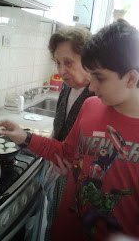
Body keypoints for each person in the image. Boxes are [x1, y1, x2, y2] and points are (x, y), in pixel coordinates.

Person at [0, 19, 139, 241]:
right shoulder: (90, 107)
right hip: (65, 232)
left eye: (99, 77)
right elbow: (65, 153)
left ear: (131, 78)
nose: (91, 87)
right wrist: (23, 136)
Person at [41, 26, 95, 241]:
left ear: (87, 59)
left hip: (76, 178)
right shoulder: (67, 86)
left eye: (68, 62)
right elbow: (60, 124)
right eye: (58, 63)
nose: (61, 70)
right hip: (57, 165)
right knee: (51, 220)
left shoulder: (97, 94)